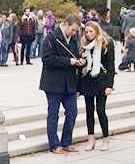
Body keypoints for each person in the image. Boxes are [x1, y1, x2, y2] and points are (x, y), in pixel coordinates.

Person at [39, 13, 84, 154]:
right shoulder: (51, 38)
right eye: (73, 29)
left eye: (76, 31)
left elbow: (76, 56)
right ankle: (54, 144)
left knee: (73, 112)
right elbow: (47, 59)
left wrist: (80, 61)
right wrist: (69, 62)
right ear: (66, 24)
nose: (74, 32)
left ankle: (66, 142)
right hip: (53, 82)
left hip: (69, 82)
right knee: (53, 114)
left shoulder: (74, 39)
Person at [79, 21, 115, 152]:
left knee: (100, 111)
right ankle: (91, 138)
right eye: (86, 32)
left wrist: (109, 85)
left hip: (101, 80)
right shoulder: (84, 45)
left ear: (97, 31)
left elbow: (111, 66)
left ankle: (105, 138)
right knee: (89, 112)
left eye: (91, 31)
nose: (88, 34)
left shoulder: (106, 43)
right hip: (87, 80)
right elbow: (81, 68)